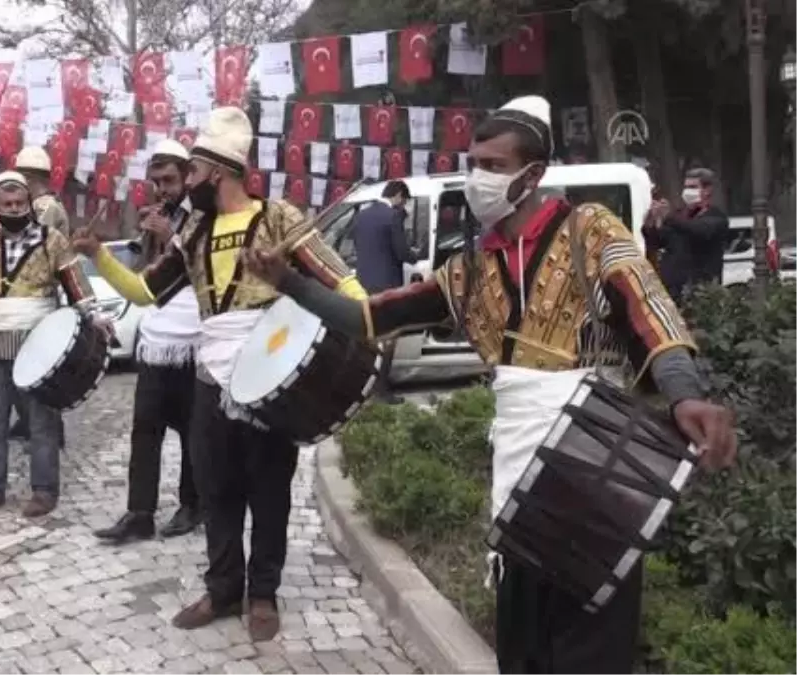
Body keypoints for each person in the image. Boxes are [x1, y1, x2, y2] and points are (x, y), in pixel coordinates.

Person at [242, 96, 738, 674]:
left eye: (493, 166)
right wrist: (289, 281)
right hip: (518, 486)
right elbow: (369, 319)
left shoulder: (590, 230)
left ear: (533, 175)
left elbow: (648, 305)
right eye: (473, 161)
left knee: (592, 650)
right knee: (522, 648)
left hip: (597, 471)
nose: (477, 176)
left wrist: (685, 389)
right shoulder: (468, 272)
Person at [71, 107, 366, 641]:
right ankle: (224, 588)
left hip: (269, 376)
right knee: (216, 489)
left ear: (218, 173)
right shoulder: (195, 231)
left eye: (193, 173)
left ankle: (263, 594)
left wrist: (368, 324)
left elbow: (341, 280)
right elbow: (146, 292)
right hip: (211, 380)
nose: (186, 184)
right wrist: (99, 257)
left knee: (269, 490)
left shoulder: (278, 217)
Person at [0, 172, 99, 518]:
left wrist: (94, 318)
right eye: (7, 204)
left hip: (38, 345)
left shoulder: (52, 240)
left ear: (29, 204)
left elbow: (75, 284)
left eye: (20, 203)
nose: (15, 209)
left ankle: (44, 489)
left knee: (41, 421)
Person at [94, 140, 204, 545]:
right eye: (155, 181)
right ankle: (139, 513)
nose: (161, 189)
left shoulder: (205, 215)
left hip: (194, 339)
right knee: (145, 429)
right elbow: (143, 278)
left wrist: (173, 234)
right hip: (155, 340)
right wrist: (150, 239)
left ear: (188, 176)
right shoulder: (159, 216)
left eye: (169, 180)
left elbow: (209, 270)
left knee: (194, 431)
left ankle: (193, 505)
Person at [8, 145, 68, 439]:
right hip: (26, 295)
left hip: (42, 294)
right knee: (20, 360)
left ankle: (50, 428)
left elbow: (28, 241)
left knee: (41, 364)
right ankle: (26, 420)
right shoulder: (40, 206)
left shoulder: (46, 208)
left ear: (29, 178)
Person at [352, 180, 415, 400]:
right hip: (387, 286)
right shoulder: (393, 216)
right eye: (403, 200)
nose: (402, 205)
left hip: (363, 285)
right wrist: (414, 254)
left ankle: (365, 389)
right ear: (398, 195)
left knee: (369, 339)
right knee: (388, 339)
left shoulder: (361, 216)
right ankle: (381, 390)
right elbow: (401, 253)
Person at [644, 168, 729, 304]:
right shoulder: (680, 216)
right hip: (672, 293)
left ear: (707, 190)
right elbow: (659, 241)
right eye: (686, 187)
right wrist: (651, 223)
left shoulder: (716, 217)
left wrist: (669, 216)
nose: (688, 191)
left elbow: (698, 230)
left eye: (693, 187)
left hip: (701, 295)